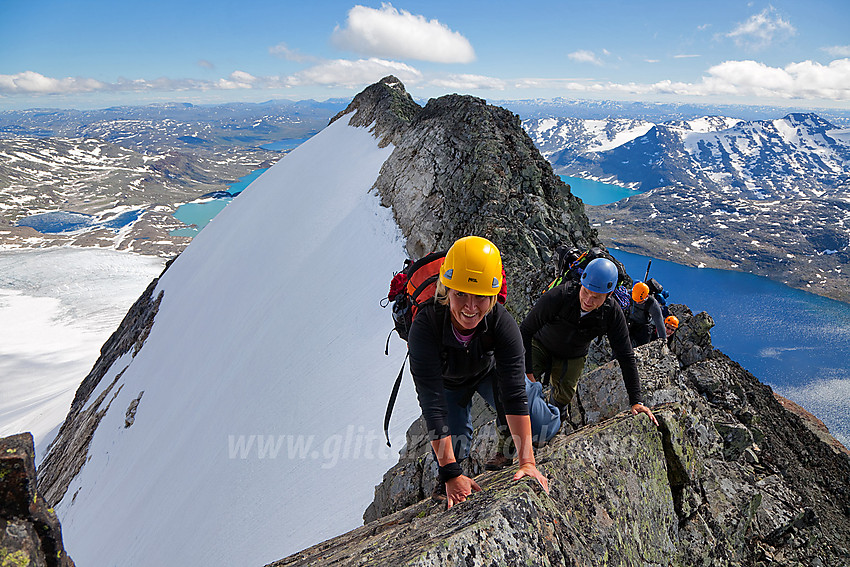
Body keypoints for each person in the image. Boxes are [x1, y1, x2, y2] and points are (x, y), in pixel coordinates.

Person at [408, 236, 550, 509]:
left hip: (487, 371)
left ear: (493, 296)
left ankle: (550, 422)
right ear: (446, 289)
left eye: (481, 297)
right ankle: (449, 476)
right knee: (456, 432)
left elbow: (514, 394)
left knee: (538, 416)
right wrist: (450, 473)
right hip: (448, 383)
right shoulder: (426, 325)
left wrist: (527, 463)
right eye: (460, 293)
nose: (470, 308)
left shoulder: (502, 323)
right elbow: (432, 404)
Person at [520, 257, 658, 426]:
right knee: (521, 386)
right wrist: (527, 372)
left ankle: (550, 423)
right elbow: (525, 330)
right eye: (585, 292)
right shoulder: (560, 295)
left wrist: (636, 401)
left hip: (573, 355)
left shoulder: (611, 313)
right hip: (540, 344)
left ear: (608, 295)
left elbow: (626, 355)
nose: (587, 300)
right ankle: (507, 444)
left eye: (596, 297)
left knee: (564, 396)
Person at [627, 281, 667, 347]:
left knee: (640, 347)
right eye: (636, 301)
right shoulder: (630, 294)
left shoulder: (652, 303)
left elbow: (659, 321)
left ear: (647, 296)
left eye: (640, 302)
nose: (637, 303)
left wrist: (663, 340)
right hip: (629, 323)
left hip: (643, 329)